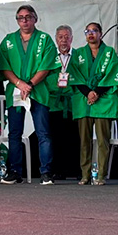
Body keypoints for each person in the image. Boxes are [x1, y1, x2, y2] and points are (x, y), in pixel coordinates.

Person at [0, 5, 59, 185]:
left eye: (28, 17)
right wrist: (19, 83)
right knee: (14, 133)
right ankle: (15, 171)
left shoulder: (44, 39)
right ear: (17, 20)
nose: (24, 21)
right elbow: (4, 66)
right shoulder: (9, 40)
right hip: (16, 91)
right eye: (20, 17)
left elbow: (47, 66)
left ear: (35, 19)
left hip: (37, 90)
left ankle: (46, 172)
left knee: (43, 133)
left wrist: (30, 84)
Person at [67, 22, 118, 185]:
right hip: (84, 100)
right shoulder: (78, 54)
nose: (91, 34)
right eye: (88, 31)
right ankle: (85, 174)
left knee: (103, 140)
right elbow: (74, 76)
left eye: (94, 31)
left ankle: (101, 175)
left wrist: (96, 92)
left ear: (101, 33)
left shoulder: (109, 53)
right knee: (84, 140)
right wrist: (88, 93)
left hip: (103, 100)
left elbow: (113, 75)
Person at [46, 25, 79, 179]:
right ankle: (57, 170)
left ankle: (76, 170)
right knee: (55, 136)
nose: (63, 40)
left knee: (75, 136)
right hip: (55, 103)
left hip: (73, 102)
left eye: (66, 37)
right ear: (56, 39)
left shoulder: (78, 56)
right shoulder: (50, 57)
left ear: (71, 38)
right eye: (60, 37)